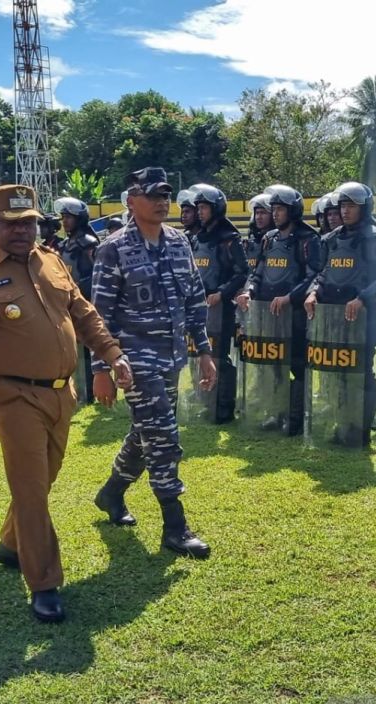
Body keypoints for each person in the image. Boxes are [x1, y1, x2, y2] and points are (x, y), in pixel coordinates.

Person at [0, 184, 130, 623]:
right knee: (31, 488)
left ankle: (10, 543)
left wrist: (113, 355)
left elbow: (84, 314)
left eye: (30, 223)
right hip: (11, 393)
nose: (23, 231)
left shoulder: (51, 260)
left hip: (62, 392)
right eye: (12, 223)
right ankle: (43, 583)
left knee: (41, 480)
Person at [91, 167, 214, 558]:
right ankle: (175, 526)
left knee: (146, 432)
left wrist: (205, 352)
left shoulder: (180, 242)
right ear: (131, 201)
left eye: (166, 195)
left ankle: (111, 493)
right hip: (134, 358)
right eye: (152, 195)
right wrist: (100, 370)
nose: (162, 202)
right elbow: (99, 315)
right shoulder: (113, 248)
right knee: (162, 436)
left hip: (173, 355)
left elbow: (195, 301)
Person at [304, 182, 376, 445]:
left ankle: (360, 428)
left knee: (360, 372)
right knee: (336, 373)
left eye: (351, 206)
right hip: (331, 316)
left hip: (361, 318)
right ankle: (340, 423)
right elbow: (322, 273)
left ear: (363, 208)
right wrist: (313, 292)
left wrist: (363, 298)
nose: (345, 211)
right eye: (342, 205)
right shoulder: (331, 239)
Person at [237, 184, 320, 435]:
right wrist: (249, 291)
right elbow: (257, 273)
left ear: (292, 210)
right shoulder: (268, 239)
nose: (275, 214)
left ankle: (296, 419)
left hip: (294, 316)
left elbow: (313, 275)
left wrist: (290, 298)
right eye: (273, 209)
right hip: (267, 316)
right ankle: (275, 413)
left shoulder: (309, 239)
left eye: (280, 209)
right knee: (272, 368)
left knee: (296, 367)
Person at [188, 183, 248, 423]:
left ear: (217, 209)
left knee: (218, 356)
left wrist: (222, 293)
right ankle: (204, 401)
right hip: (197, 306)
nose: (200, 212)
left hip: (219, 306)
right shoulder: (196, 239)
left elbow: (241, 273)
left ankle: (223, 408)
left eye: (205, 207)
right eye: (199, 207)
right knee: (197, 353)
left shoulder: (229, 238)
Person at [54, 197, 100, 403]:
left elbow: (97, 274)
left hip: (85, 301)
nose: (64, 221)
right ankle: (77, 389)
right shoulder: (64, 245)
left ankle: (89, 392)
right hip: (66, 303)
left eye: (69, 218)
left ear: (79, 219)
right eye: (63, 217)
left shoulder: (88, 244)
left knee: (89, 348)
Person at [243, 193, 274, 271]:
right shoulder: (247, 244)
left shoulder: (278, 242)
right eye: (257, 213)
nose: (258, 217)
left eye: (263, 213)